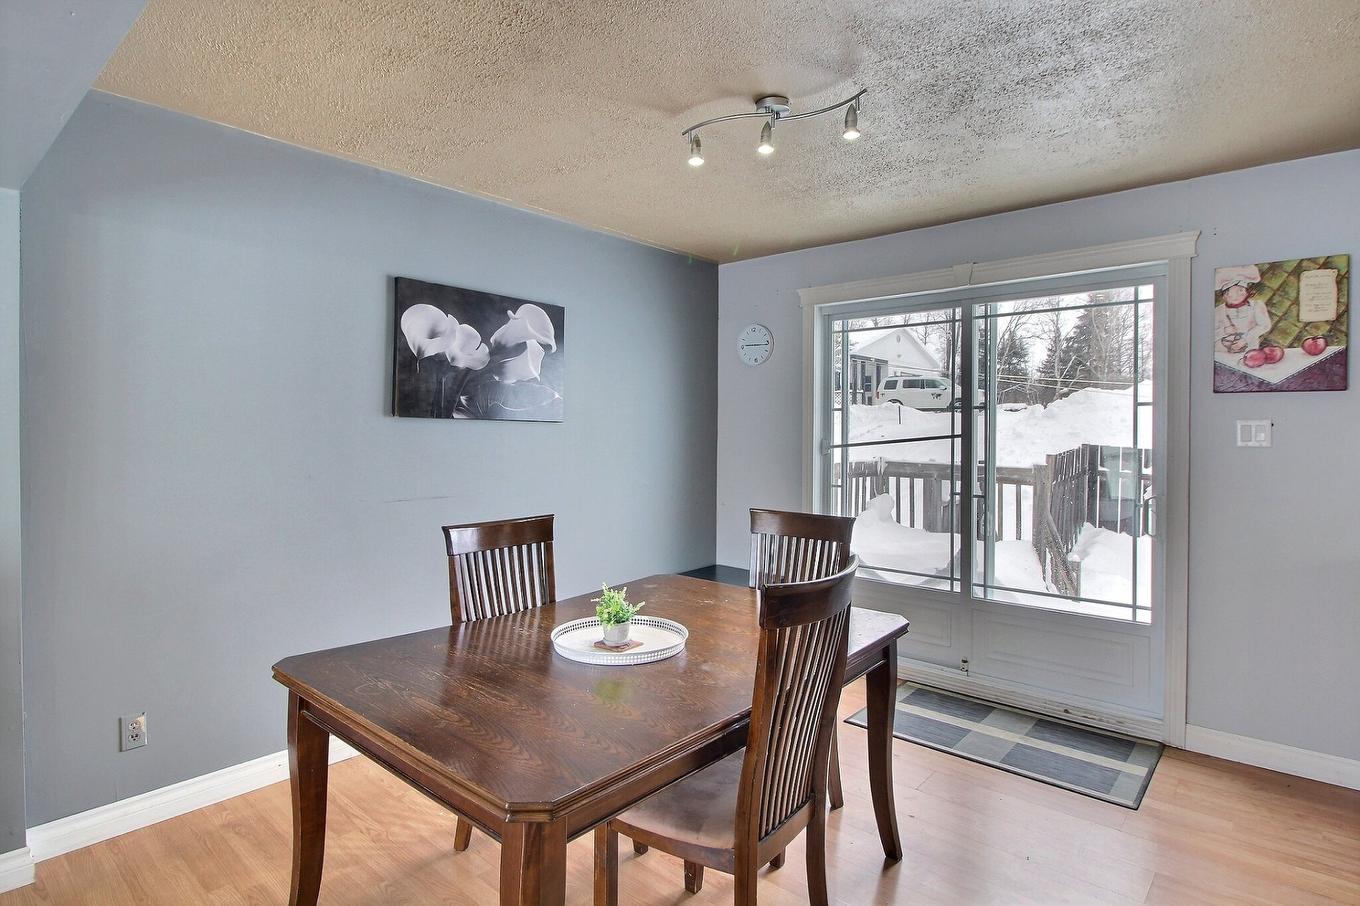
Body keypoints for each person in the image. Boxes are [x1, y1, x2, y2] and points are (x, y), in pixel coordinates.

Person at [1214, 265, 1271, 356]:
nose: (1235, 296)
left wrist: (1245, 339)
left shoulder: (1256, 306)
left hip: (1249, 349)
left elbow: (1264, 325)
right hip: (1222, 351)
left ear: (1247, 292)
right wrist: (1224, 331)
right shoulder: (1219, 311)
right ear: (1224, 295)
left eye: (1240, 291)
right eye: (1229, 293)